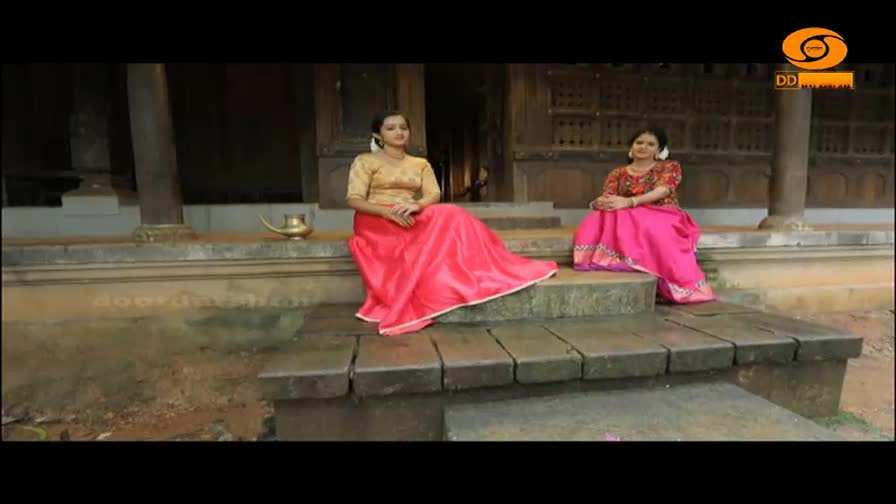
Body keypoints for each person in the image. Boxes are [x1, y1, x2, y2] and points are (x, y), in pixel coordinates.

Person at [345, 111, 559, 336]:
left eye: (403, 128)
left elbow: (433, 194)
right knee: (445, 217)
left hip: (409, 212)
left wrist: (417, 205)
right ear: (378, 135)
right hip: (376, 219)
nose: (398, 132)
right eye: (390, 128)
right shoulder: (365, 161)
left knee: (452, 213)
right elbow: (354, 199)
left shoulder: (419, 163)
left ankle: (479, 266)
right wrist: (385, 212)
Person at [573, 126, 716, 304]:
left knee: (652, 227)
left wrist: (630, 202)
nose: (643, 147)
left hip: (663, 213)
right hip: (628, 215)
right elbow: (609, 196)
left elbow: (663, 191)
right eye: (639, 142)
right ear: (631, 147)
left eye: (650, 144)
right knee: (600, 217)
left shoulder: (669, 167)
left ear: (659, 149)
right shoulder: (618, 173)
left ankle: (678, 283)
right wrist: (600, 202)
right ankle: (613, 259)